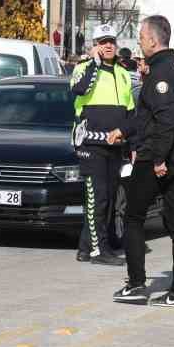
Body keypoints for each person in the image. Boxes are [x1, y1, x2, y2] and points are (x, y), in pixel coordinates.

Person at [108, 15, 174, 308]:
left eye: (141, 35)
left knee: (133, 217)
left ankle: (136, 285)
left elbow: (166, 120)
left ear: (153, 40)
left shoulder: (160, 74)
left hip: (159, 158)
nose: (139, 40)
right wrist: (123, 129)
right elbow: (150, 116)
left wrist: (159, 158)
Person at [70, 23, 135, 265]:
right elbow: (79, 88)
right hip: (90, 143)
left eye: (111, 41)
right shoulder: (83, 68)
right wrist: (94, 64)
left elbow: (130, 112)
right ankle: (100, 251)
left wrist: (134, 144)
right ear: (94, 46)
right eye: (102, 42)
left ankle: (86, 247)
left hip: (115, 144)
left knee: (107, 197)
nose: (108, 45)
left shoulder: (123, 73)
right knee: (97, 197)